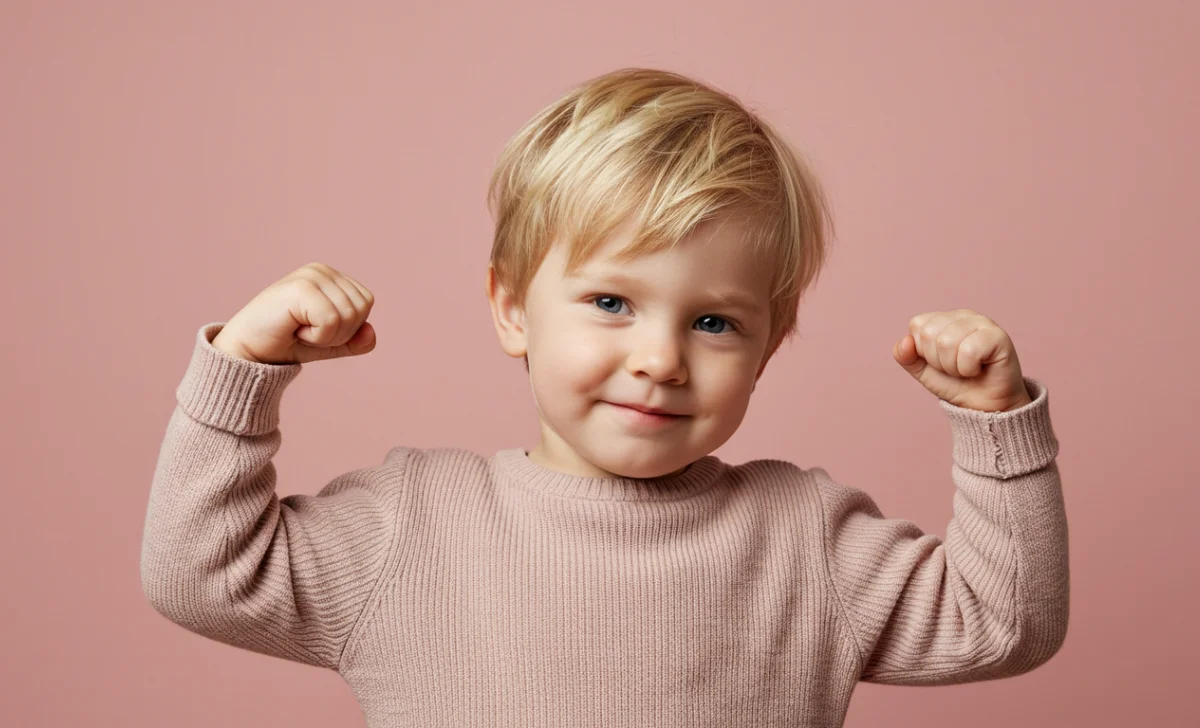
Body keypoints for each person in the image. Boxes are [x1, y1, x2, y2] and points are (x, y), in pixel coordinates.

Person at [140, 67, 1068, 727]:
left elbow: (1006, 623)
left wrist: (996, 427)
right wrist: (243, 370)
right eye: (612, 303)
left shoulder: (804, 541)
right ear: (513, 308)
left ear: (769, 347)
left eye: (715, 322)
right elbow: (201, 575)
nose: (660, 360)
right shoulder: (413, 527)